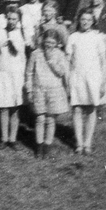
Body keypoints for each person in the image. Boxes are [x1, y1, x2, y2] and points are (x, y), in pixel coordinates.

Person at [67, 11, 106, 155]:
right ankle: (79, 143)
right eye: (82, 19)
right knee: (77, 109)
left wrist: (103, 82)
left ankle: (88, 143)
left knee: (91, 109)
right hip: (77, 76)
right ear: (78, 20)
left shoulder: (97, 37)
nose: (85, 22)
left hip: (93, 77)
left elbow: (103, 62)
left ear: (93, 21)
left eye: (88, 19)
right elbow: (68, 60)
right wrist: (67, 80)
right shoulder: (73, 37)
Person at [26, 28, 70, 158]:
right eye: (47, 42)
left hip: (54, 90)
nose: (49, 45)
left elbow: (61, 72)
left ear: (57, 43)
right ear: (43, 40)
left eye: (52, 43)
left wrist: (51, 60)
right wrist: (29, 90)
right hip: (38, 89)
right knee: (40, 118)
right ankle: (39, 145)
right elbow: (29, 73)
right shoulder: (35, 54)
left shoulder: (59, 54)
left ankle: (47, 145)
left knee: (50, 119)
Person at [0, 9, 26, 149]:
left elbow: (23, 56)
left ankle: (13, 138)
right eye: (10, 18)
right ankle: (4, 138)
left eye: (14, 19)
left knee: (15, 107)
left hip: (17, 74)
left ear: (18, 20)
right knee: (4, 107)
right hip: (2, 73)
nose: (11, 21)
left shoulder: (21, 34)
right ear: (6, 19)